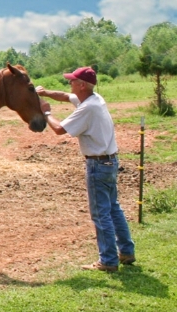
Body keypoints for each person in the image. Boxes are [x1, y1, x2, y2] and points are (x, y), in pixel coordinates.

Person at [36, 66, 135, 272]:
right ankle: (126, 250)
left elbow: (59, 129)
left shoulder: (87, 109)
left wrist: (46, 112)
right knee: (113, 208)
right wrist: (45, 93)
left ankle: (108, 260)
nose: (69, 84)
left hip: (97, 165)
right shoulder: (95, 99)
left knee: (101, 214)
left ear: (82, 85)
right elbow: (65, 96)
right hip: (110, 161)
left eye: (72, 81)